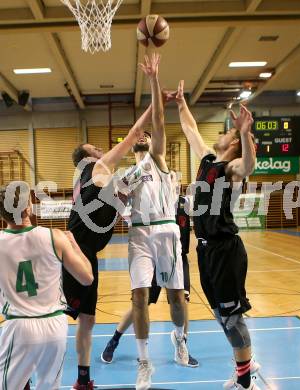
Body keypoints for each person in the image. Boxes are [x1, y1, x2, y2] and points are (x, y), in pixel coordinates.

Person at [173, 80, 261, 390]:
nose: (220, 133)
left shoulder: (232, 170)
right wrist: (181, 102)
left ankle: (245, 380)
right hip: (205, 250)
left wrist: (246, 133)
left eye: (228, 132)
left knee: (232, 317)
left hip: (226, 250)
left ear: (235, 143)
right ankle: (246, 362)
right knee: (222, 314)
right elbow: (190, 130)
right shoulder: (209, 160)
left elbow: (249, 164)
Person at [63, 110, 151, 390]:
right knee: (53, 319)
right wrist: (153, 104)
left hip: (86, 253)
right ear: (87, 159)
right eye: (95, 149)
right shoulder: (94, 169)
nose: (101, 150)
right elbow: (131, 138)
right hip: (73, 251)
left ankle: (82, 379)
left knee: (87, 319)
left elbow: (119, 196)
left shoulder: (102, 181)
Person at [116, 54, 189, 390]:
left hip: (167, 231)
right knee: (139, 297)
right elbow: (114, 209)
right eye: (138, 136)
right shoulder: (122, 178)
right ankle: (144, 363)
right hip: (138, 236)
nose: (144, 136)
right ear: (130, 141)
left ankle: (179, 337)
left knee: (177, 297)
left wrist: (154, 80)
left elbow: (159, 120)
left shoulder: (156, 159)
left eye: (146, 134)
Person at [0, 182, 93, 390]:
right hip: (54, 325)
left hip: (19, 326)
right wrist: (74, 244)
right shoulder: (55, 236)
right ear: (29, 208)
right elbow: (87, 277)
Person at [101, 173, 198, 367]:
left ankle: (182, 344)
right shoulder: (150, 206)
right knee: (140, 302)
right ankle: (115, 339)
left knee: (182, 300)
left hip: (177, 257)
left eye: (175, 179)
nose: (173, 182)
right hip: (153, 256)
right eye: (168, 179)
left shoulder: (185, 203)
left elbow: (204, 211)